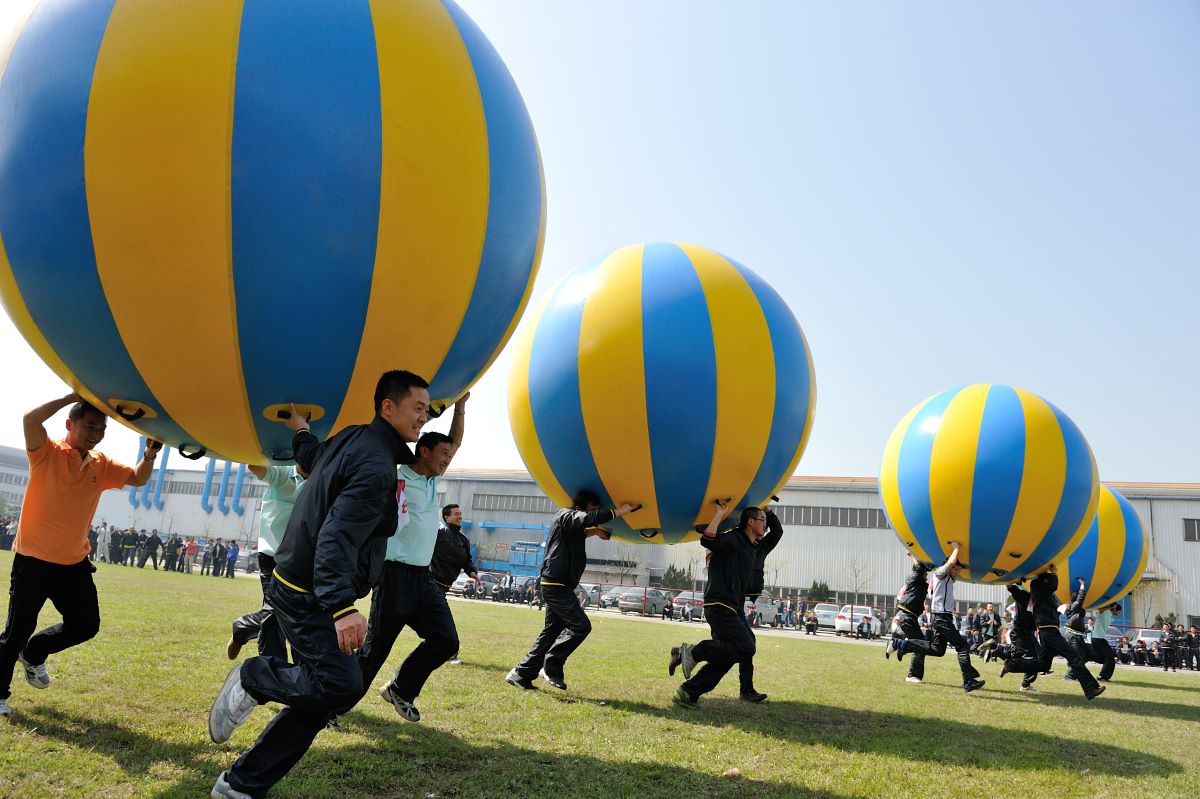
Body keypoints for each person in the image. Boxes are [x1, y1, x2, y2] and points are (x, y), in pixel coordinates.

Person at [207, 370, 431, 799]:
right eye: (417, 408)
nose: (423, 417)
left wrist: (301, 430)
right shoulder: (376, 466)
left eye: (426, 411)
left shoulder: (354, 438)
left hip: (298, 583)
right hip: (307, 593)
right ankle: (255, 676)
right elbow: (336, 537)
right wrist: (342, 608)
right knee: (341, 685)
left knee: (328, 694)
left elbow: (311, 459)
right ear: (388, 407)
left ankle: (241, 785)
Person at [0, 394, 161, 717]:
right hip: (32, 560)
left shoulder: (101, 464)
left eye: (101, 429)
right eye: (89, 426)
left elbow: (138, 478)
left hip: (73, 564)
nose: (96, 434)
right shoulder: (46, 452)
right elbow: (30, 419)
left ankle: (34, 653)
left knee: (86, 625)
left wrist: (150, 454)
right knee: (16, 632)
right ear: (69, 424)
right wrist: (72, 396)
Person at [355, 397, 470, 722]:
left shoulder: (432, 481)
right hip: (393, 576)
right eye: (443, 454)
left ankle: (400, 689)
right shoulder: (397, 476)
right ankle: (331, 707)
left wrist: (460, 407)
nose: (447, 459)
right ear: (424, 452)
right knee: (374, 653)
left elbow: (456, 440)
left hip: (423, 578)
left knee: (446, 641)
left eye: (449, 455)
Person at [506, 490, 636, 692]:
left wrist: (595, 532)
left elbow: (581, 530)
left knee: (551, 632)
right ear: (584, 505)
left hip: (558, 585)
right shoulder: (565, 515)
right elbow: (585, 519)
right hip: (556, 584)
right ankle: (551, 666)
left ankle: (521, 674)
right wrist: (621, 511)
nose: (594, 512)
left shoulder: (569, 525)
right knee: (581, 626)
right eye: (594, 508)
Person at [227, 424, 311, 662]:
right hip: (272, 555)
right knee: (274, 612)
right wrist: (254, 440)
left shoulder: (321, 481)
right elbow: (254, 466)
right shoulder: (282, 473)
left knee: (292, 612)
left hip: (301, 558)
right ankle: (272, 668)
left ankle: (243, 629)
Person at [1000, 564, 1103, 699]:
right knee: (1074, 656)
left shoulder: (1036, 596)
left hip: (1044, 633)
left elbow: (1016, 592)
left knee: (1043, 664)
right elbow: (1053, 585)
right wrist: (1054, 573)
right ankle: (1090, 689)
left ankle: (1012, 665)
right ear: (1044, 583)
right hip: (1050, 631)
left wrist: (1010, 584)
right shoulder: (1042, 591)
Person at [1088, 603, 1119, 681]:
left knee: (1102, 658)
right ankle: (1103, 676)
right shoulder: (1106, 612)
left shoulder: (1110, 616)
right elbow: (1101, 609)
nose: (1119, 613)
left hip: (1097, 638)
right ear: (1115, 609)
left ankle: (1084, 657)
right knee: (1110, 658)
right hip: (1099, 638)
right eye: (1119, 611)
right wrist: (1112, 606)